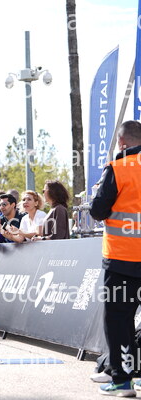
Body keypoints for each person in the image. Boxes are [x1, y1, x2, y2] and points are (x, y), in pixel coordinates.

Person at [90, 120, 141, 396]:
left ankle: (122, 380)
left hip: (122, 258)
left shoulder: (119, 167)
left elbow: (98, 211)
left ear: (122, 143)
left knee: (119, 319)